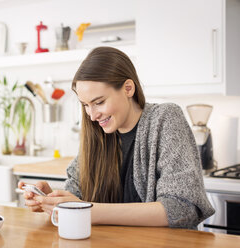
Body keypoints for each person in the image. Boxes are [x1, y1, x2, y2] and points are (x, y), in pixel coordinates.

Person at [18, 46, 215, 229]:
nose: (93, 116)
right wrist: (52, 198)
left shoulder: (165, 118)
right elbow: (77, 195)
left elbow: (181, 208)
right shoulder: (96, 134)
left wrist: (88, 212)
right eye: (85, 105)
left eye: (99, 102)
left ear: (128, 88)